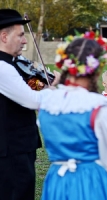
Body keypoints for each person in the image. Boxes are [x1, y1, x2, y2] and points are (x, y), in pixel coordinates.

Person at [38, 32, 107, 200]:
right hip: (93, 183)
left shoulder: (47, 103)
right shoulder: (97, 107)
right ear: (96, 70)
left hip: (57, 182)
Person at [0, 9, 60, 200]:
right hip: (10, 151)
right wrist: (55, 84)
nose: (25, 40)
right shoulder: (3, 68)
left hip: (19, 147)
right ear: (3, 36)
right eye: (20, 35)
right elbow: (33, 100)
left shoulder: (13, 63)